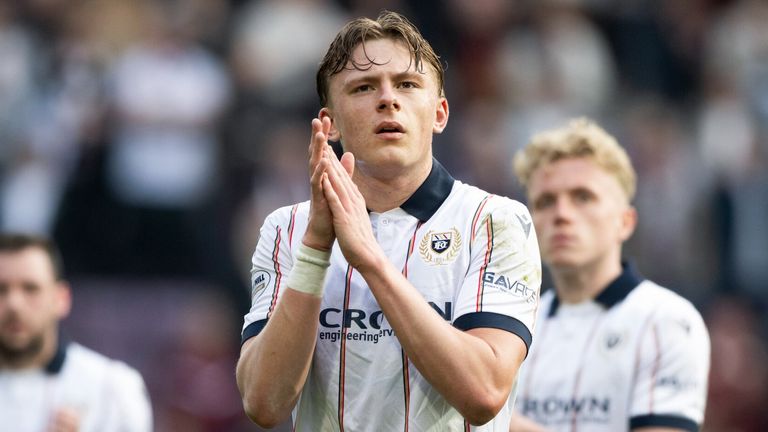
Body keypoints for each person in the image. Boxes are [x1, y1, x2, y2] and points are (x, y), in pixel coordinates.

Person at [236, 10, 541, 431]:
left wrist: (372, 261)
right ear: (330, 124)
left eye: (407, 84)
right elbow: (263, 403)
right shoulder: (286, 230)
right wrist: (316, 251)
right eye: (363, 87)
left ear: (440, 114)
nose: (387, 99)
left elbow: (484, 392)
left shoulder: (495, 221)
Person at [508, 118, 710, 432]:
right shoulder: (511, 324)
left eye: (582, 197)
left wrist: (501, 424)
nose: (561, 214)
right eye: (545, 201)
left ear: (625, 222)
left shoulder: (668, 321)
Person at [0, 233, 152, 432]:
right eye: (1, 290)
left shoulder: (112, 389)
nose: (14, 304)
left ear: (61, 299)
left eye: (31, 289)